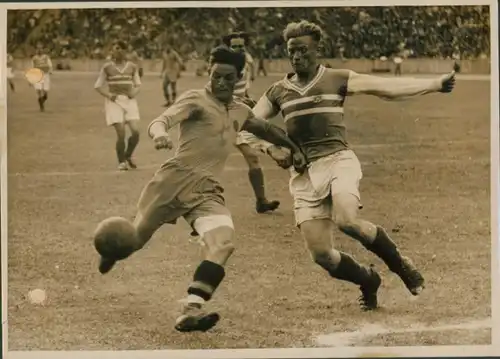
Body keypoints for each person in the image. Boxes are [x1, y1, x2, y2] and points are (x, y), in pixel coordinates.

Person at [242, 20, 456, 310]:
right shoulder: (278, 91)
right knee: (322, 256)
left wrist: (434, 84)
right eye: (292, 51)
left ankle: (400, 265)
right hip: (305, 175)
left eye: (303, 50)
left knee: (346, 219)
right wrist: (272, 149)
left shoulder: (337, 78)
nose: (297, 57)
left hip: (338, 161)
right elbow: (246, 126)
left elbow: (385, 88)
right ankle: (368, 280)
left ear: (318, 49)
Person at [96, 45, 306, 332]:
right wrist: (159, 135)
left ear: (239, 78)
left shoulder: (241, 109)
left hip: (207, 191)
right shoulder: (195, 100)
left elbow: (266, 129)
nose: (220, 82)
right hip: (173, 183)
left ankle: (191, 307)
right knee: (133, 242)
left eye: (227, 78)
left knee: (223, 244)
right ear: (208, 72)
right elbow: (162, 121)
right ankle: (113, 250)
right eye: (215, 76)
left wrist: (292, 148)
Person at [222, 32, 280, 214]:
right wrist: (238, 102)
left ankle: (261, 202)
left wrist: (248, 99)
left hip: (237, 117)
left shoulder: (245, 61)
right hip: (222, 119)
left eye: (241, 46)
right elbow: (218, 94)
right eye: (235, 46)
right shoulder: (225, 67)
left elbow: (242, 90)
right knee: (208, 162)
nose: (239, 49)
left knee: (253, 157)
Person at [94, 41, 142, 171]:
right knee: (121, 133)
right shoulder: (107, 67)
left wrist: (134, 93)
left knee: (136, 133)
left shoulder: (132, 66)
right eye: (115, 49)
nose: (117, 51)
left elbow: (138, 84)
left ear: (125, 51)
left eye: (120, 49)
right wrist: (109, 95)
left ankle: (128, 156)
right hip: (114, 102)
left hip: (129, 101)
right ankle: (121, 162)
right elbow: (97, 86)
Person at [31, 45, 53, 111]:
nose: (39, 50)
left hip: (45, 74)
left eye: (41, 49)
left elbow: (50, 65)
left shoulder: (46, 57)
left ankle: (43, 99)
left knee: (45, 91)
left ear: (43, 50)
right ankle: (41, 106)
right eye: (38, 49)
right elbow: (32, 67)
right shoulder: (34, 58)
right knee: (39, 90)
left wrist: (50, 70)